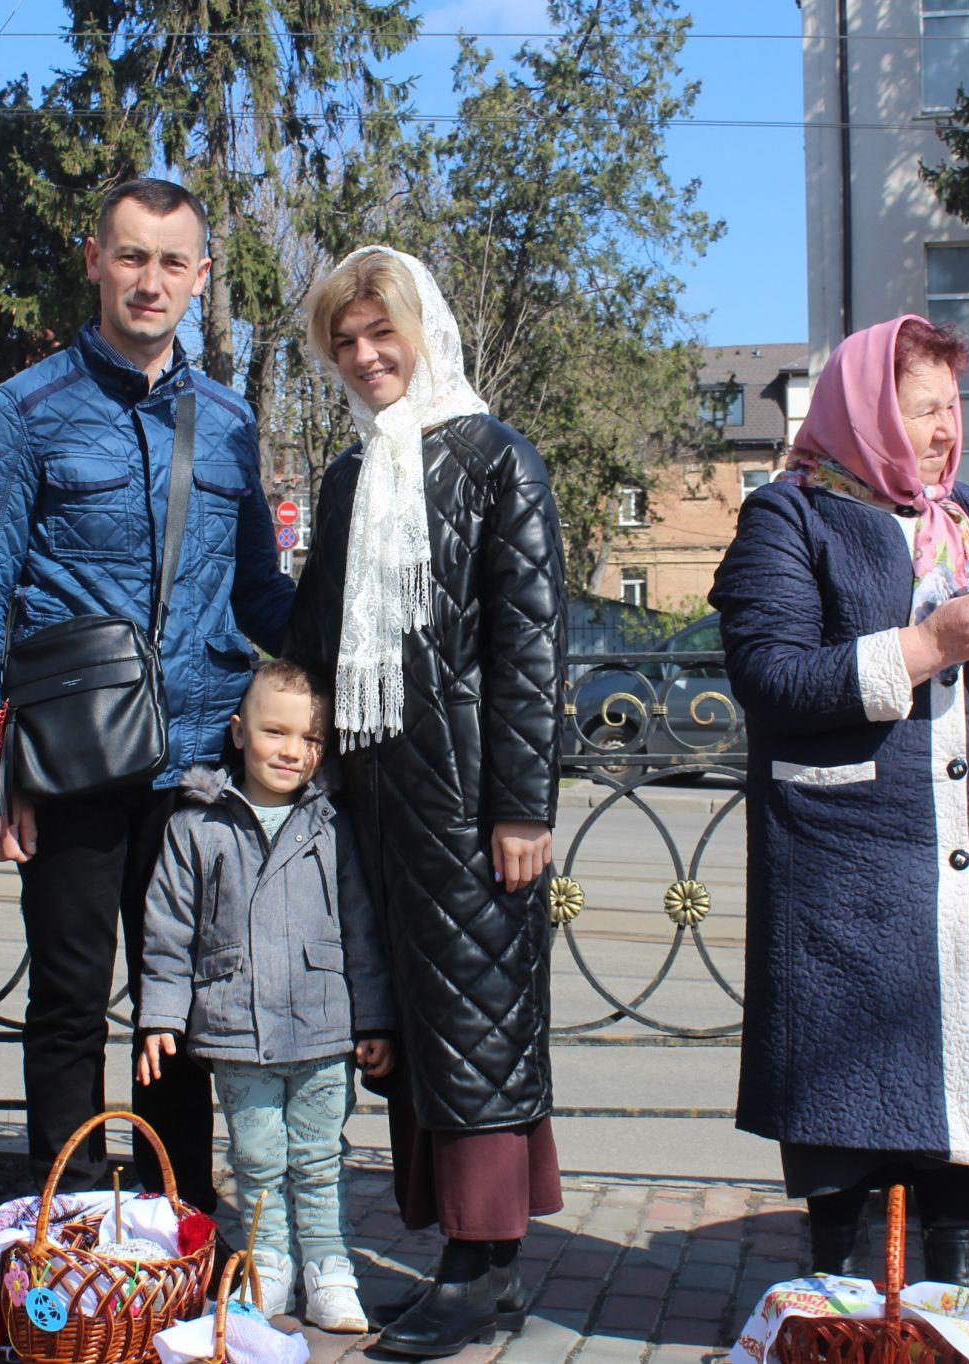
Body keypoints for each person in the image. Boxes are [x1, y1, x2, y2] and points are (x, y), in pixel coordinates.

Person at [709, 315, 969, 1287]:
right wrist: (924, 645)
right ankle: (836, 1302)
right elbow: (771, 676)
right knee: (848, 1107)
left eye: (950, 408)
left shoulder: (960, 510)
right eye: (922, 408)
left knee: (968, 1119)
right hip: (849, 868)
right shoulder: (787, 514)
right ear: (867, 409)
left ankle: (951, 1299)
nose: (943, 429)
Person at [0, 177, 294, 1206]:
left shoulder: (228, 422)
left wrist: (349, 639)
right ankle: (70, 1214)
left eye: (171, 261)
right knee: (64, 999)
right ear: (94, 258)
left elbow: (257, 592)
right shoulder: (19, 414)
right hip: (71, 756)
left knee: (176, 1006)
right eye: (131, 256)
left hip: (193, 759)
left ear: (201, 276)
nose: (150, 280)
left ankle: (173, 1215)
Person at [284, 246, 565, 1358]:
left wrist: (522, 806)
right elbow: (313, 630)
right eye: (341, 344)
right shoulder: (353, 478)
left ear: (420, 329)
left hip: (471, 801)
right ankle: (472, 1263)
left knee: (479, 1023)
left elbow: (529, 645)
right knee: (412, 1025)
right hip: (377, 797)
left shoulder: (496, 459)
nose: (362, 358)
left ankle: (477, 1264)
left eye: (376, 334)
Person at [134, 660, 395, 1330]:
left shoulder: (333, 825)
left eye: (309, 739)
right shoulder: (199, 825)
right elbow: (167, 930)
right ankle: (267, 1260)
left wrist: (375, 1019)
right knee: (255, 1156)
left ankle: (330, 1266)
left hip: (323, 1027)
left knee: (317, 1154)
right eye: (275, 731)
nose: (292, 750)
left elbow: (361, 928)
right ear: (239, 732)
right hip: (236, 1026)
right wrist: (161, 1015)